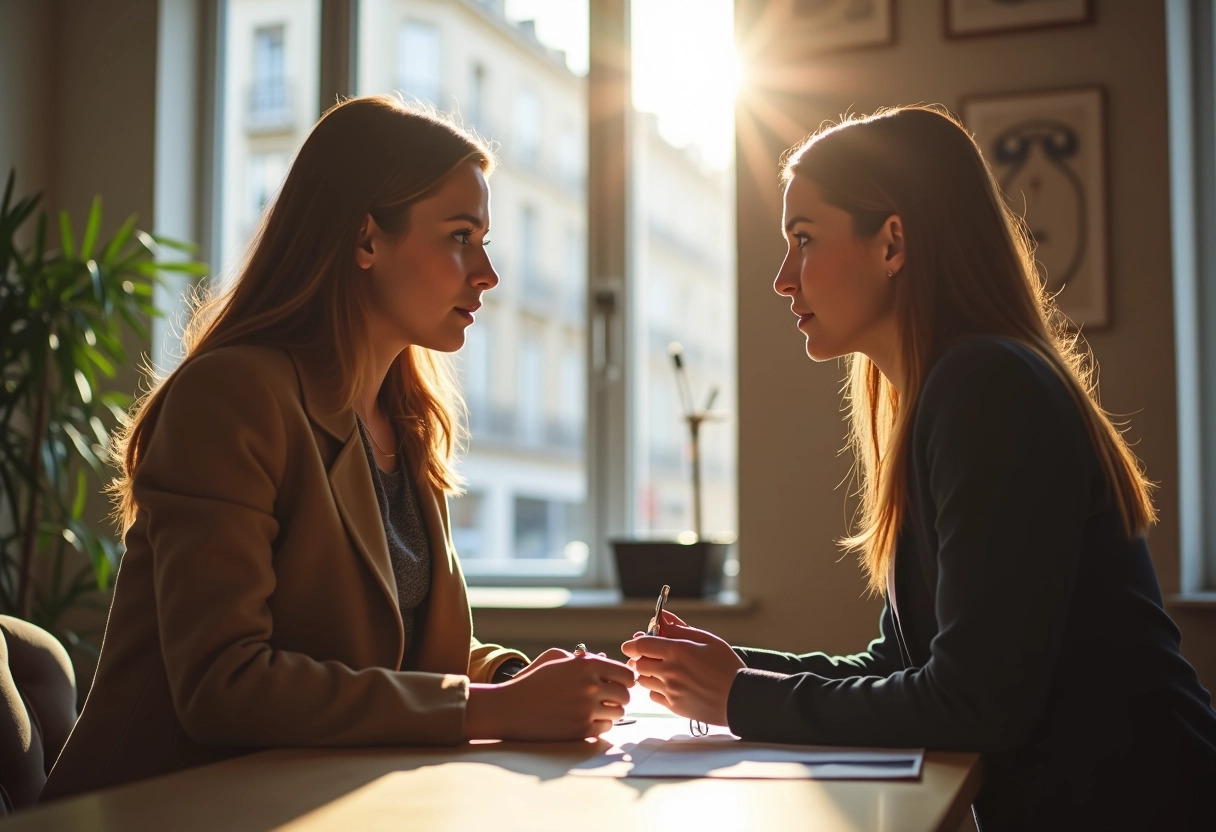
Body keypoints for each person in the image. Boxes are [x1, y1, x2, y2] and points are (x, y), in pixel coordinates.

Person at [621, 106, 1216, 830]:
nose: (783, 278)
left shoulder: (986, 388)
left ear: (893, 242)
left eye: (803, 239)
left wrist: (740, 696)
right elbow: (903, 664)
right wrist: (723, 668)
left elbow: (974, 703)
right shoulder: (944, 390)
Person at [41, 95, 634, 801]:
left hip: (313, 797)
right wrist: (497, 711)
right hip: (164, 807)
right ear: (365, 240)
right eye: (459, 236)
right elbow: (225, 685)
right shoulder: (232, 397)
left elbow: (396, 655)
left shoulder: (407, 420)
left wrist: (509, 678)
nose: (488, 273)